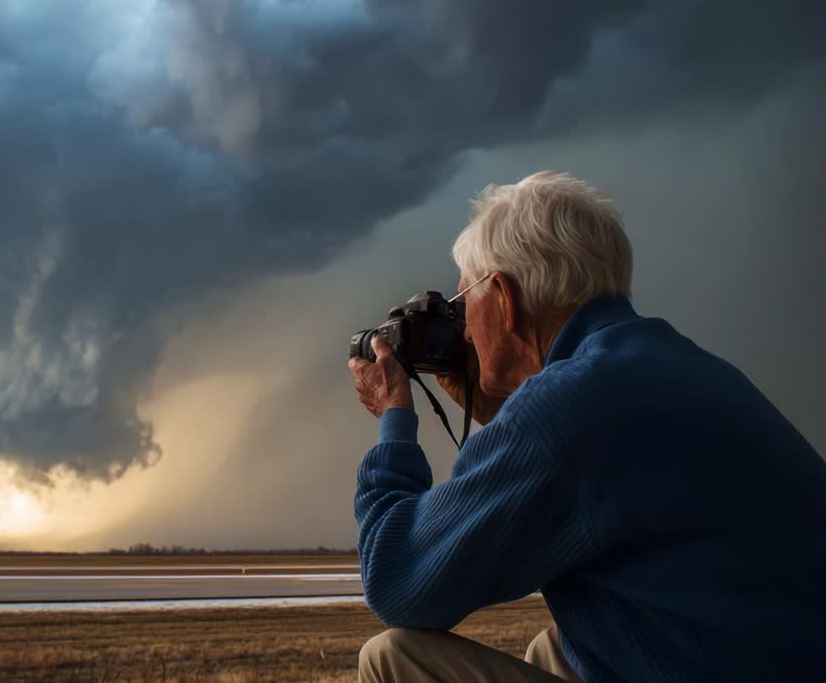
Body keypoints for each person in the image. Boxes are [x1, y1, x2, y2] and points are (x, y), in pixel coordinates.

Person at [346, 172, 826, 683]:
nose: (462, 329)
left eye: (464, 304)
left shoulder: (566, 409)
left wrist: (395, 419)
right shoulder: (682, 367)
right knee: (559, 648)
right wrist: (502, 410)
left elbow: (398, 581)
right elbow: (585, 481)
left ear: (504, 297)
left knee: (393, 656)